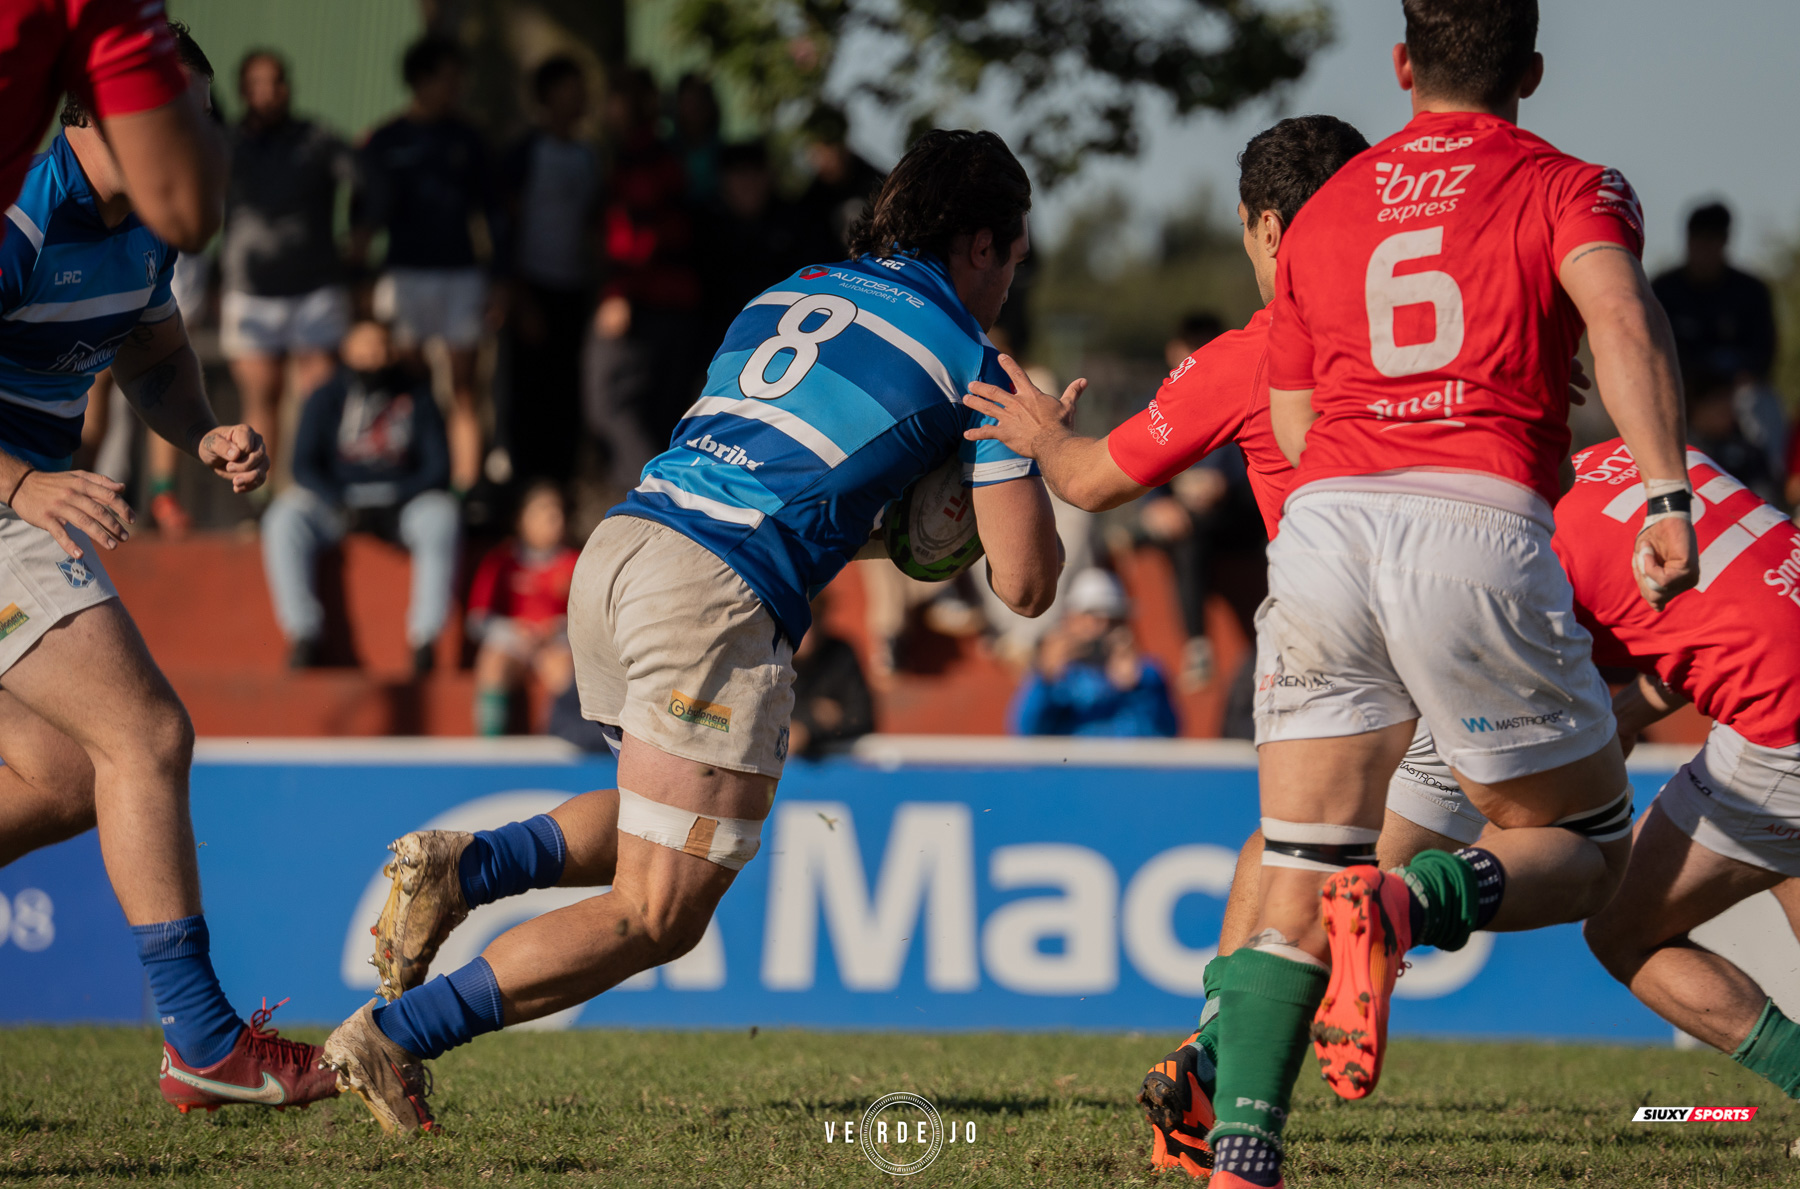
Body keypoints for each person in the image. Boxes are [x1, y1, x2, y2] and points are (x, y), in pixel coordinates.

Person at [319, 129, 1062, 1134]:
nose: (1009, 286)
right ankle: (395, 1033)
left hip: (624, 546)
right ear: (981, 244)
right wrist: (1032, 444)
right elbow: (1025, 583)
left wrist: (894, 526)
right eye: (1015, 261)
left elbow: (791, 474)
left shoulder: (793, 289)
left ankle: (470, 866)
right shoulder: (979, 368)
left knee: (657, 821)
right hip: (712, 593)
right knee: (658, 909)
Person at [1209, 3, 1696, 1182]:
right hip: (1473, 527)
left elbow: (1295, 422)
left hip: (1324, 531)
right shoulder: (1568, 185)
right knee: (1590, 849)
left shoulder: (1330, 208)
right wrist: (1665, 494)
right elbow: (1622, 318)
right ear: (1531, 68)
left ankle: (1240, 1153)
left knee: (1300, 862)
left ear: (1400, 64)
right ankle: (1410, 905)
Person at [1134, 437, 1800, 1178]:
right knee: (1583, 863)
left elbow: (1096, 481)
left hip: (1360, 597)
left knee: (1330, 843)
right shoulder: (1655, 456)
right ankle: (1370, 933)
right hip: (1767, 708)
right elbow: (1723, 617)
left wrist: (1045, 449)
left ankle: (1225, 1049)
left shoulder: (1509, 525)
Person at [0, 22, 336, 1112]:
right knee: (146, 735)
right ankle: (203, 1041)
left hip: (19, 501)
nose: (194, 133)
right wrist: (22, 483)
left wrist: (200, 430)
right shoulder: (16, 213)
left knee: (63, 780)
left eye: (199, 114)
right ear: (91, 115)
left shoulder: (148, 227)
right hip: (5, 501)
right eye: (173, 111)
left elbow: (155, 353)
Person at [966, 114, 1371, 734]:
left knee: (1311, 806)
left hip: (1339, 633)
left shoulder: (1247, 357)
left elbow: (1089, 482)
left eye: (1243, 226)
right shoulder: (1449, 319)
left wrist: (1044, 435)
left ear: (1267, 229)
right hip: (1481, 594)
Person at [260, 320, 458, 675]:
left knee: (442, 514)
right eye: (363, 347)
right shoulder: (324, 396)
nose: (372, 355)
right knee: (283, 517)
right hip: (339, 501)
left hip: (402, 504)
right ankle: (303, 634)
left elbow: (438, 468)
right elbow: (303, 465)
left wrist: (397, 499)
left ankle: (425, 639)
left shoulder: (418, 395)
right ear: (346, 351)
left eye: (380, 347)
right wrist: (339, 501)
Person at [354, 34, 496, 495]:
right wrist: (359, 283)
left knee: (464, 387)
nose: (456, 87)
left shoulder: (469, 138)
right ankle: (417, 479)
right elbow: (363, 220)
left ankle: (467, 487)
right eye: (448, 77)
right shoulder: (385, 140)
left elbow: (493, 212)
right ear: (421, 80)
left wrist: (500, 280)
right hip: (405, 276)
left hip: (462, 275)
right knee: (410, 383)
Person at [219, 49, 355, 479]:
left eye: (276, 81)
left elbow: (368, 181)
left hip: (315, 290)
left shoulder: (317, 139)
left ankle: (314, 488)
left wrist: (362, 234)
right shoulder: (226, 144)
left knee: (319, 398)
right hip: (249, 293)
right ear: (243, 90)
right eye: (257, 83)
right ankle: (260, 496)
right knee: (261, 399)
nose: (268, 92)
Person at [0, 0, 224, 253]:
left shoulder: (154, 226)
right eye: (179, 124)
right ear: (100, 116)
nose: (191, 142)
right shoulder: (24, 220)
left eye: (205, 118)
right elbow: (192, 215)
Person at [584, 66, 702, 482]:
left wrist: (618, 293)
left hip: (646, 302)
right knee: (658, 415)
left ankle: (651, 495)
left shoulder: (642, 158)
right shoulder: (663, 154)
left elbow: (638, 234)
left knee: (609, 405)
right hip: (674, 303)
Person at [497, 55, 598, 487]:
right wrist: (519, 298)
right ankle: (525, 491)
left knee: (568, 396)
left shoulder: (588, 156)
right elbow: (507, 226)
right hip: (531, 289)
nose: (578, 99)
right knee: (527, 395)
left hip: (574, 292)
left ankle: (562, 490)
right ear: (546, 97)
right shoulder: (525, 153)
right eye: (568, 90)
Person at [1652, 202, 1784, 478]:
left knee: (1760, 403)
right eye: (1698, 240)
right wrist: (1696, 397)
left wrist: (1725, 395)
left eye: (1711, 240)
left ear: (1724, 242)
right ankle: (1654, 478)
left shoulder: (1750, 290)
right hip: (1683, 392)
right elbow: (1652, 353)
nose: (1704, 250)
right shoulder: (1664, 288)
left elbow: (1764, 354)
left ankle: (1774, 483)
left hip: (1735, 393)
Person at [466, 481, 579, 736]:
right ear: (521, 520)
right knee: (493, 663)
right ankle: (490, 742)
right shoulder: (500, 561)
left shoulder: (575, 562)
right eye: (543, 511)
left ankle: (561, 738)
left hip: (556, 643)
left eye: (558, 512)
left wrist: (555, 628)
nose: (554, 519)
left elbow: (588, 618)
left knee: (565, 670)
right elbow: (477, 620)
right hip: (511, 641)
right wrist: (515, 630)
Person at [1010, 568, 1177, 738]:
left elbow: (1166, 734)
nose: (1102, 627)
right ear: (1070, 621)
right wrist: (1046, 679)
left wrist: (1137, 688)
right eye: (1092, 617)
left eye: (1113, 619)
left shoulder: (1146, 673)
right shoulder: (1057, 677)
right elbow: (1026, 730)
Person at [696, 140, 807, 356]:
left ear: (769, 176)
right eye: (738, 173)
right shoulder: (703, 228)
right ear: (722, 180)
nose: (748, 182)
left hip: (785, 339)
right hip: (716, 345)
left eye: (755, 172)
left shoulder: (796, 222)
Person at [794, 104, 884, 260]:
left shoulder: (878, 186)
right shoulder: (808, 203)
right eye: (817, 147)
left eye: (829, 144)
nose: (824, 155)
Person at [787, 603, 875, 760]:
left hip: (833, 766)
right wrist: (812, 714)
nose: (808, 630)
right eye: (799, 622)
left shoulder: (840, 655)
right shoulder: (768, 659)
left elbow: (861, 718)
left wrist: (807, 731)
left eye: (813, 620)